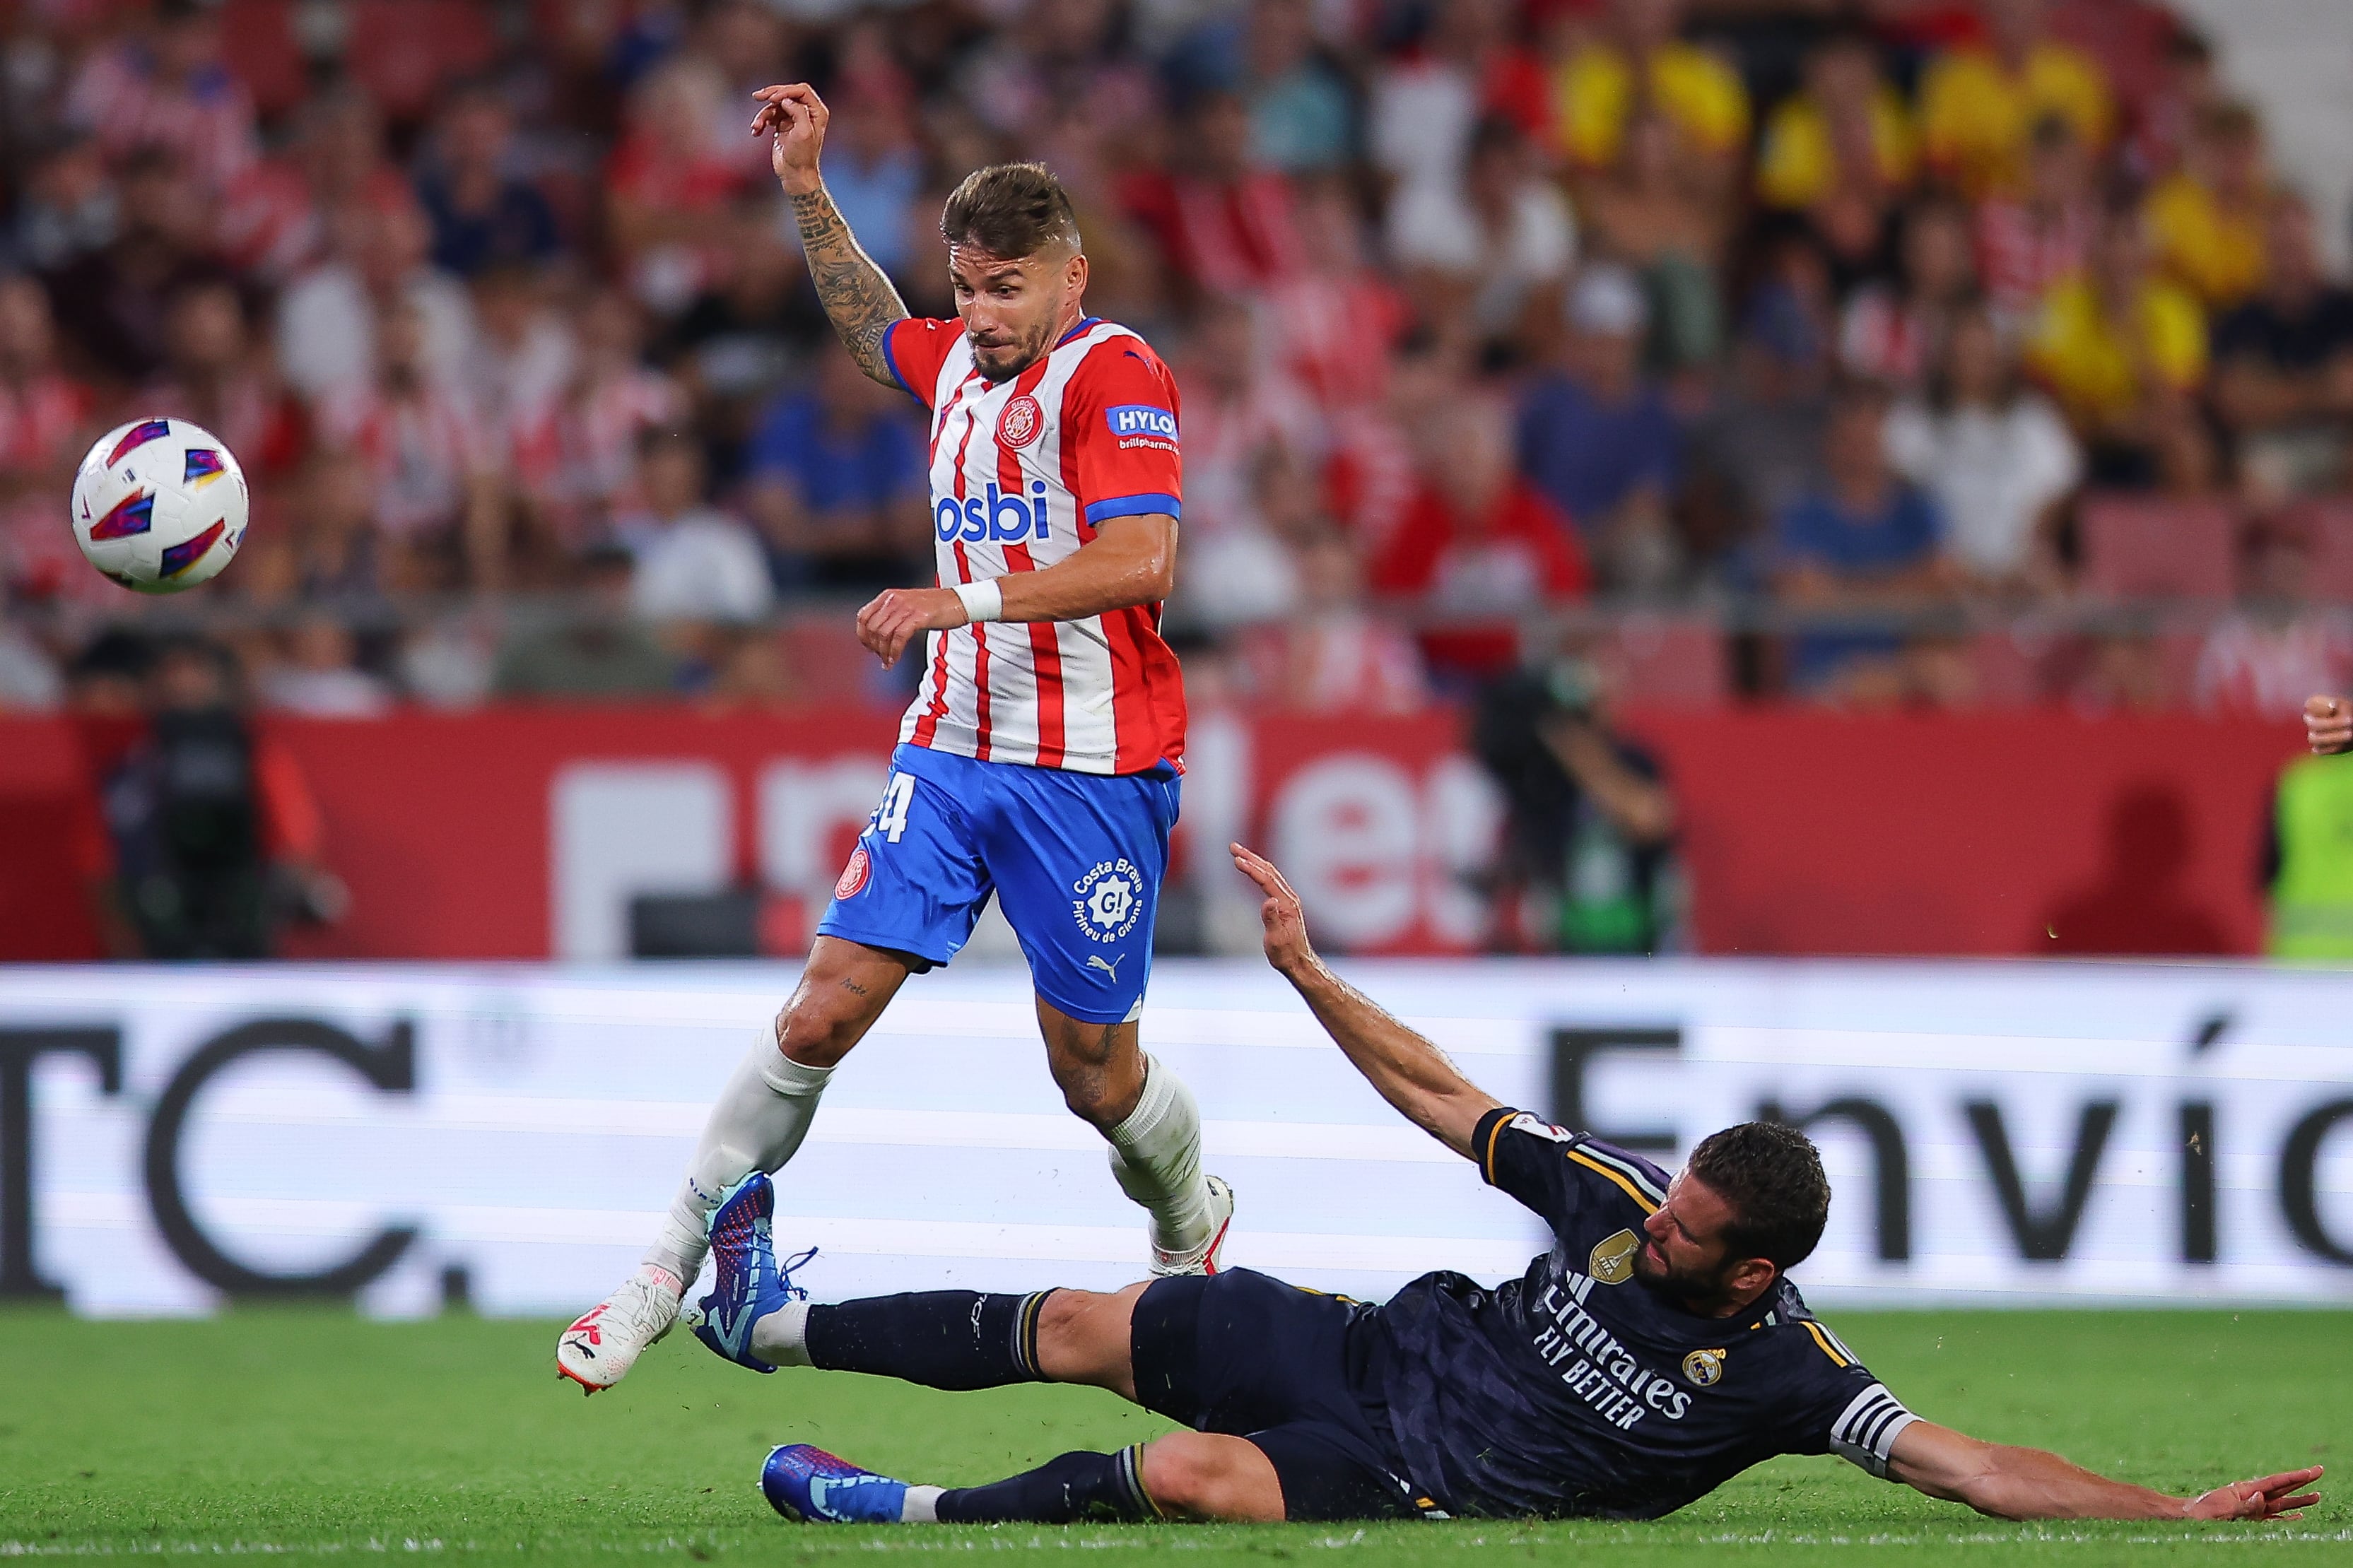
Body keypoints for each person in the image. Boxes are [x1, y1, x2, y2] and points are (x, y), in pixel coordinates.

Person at [676, 843, 2326, 1528]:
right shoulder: (1614, 1195)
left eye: (1686, 1231)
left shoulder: (1786, 1378)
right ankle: (772, 1323)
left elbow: (1971, 1466)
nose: (1650, 1222)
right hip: (1362, 1351)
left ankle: (894, 1513)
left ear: (1750, 1273)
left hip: (1413, 1476)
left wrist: (2162, 1512)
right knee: (1102, 1317)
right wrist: (1311, 976)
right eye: (1663, 1203)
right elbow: (1439, 1096)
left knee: (1190, 1480)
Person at [556, 83, 1231, 1393]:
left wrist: (953, 598)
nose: (977, 314)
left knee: (1094, 1074)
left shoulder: (1115, 371)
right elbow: (878, 330)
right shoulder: (958, 369)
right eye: (965, 286)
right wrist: (806, 190)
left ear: (1068, 278)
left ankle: (1190, 1224)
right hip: (951, 748)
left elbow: (1142, 561)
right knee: (817, 1012)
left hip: (1089, 764)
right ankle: (657, 1269)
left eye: (1005, 289)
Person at [1472, 656, 1680, 954]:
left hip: (1636, 935)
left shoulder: (1635, 761)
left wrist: (1571, 747)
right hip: (1569, 937)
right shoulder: (1546, 772)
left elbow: (1650, 819)